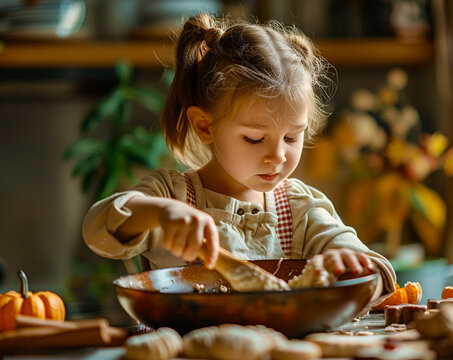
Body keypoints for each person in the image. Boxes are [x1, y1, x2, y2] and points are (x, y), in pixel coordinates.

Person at [82, 13, 396, 301]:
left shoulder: (301, 210)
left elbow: (378, 276)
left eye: (291, 137)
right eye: (254, 139)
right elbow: (98, 230)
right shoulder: (171, 196)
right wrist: (160, 213)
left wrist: (347, 263)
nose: (277, 156)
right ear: (205, 126)